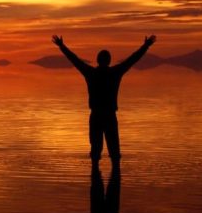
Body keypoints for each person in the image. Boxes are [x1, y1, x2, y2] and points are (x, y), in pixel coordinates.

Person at [52, 34, 156, 164]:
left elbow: (75, 60)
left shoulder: (91, 73)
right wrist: (145, 46)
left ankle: (96, 178)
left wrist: (62, 46)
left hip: (97, 116)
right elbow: (132, 60)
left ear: (97, 60)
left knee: (96, 153)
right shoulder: (115, 72)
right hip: (109, 116)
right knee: (114, 154)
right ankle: (113, 179)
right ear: (109, 61)